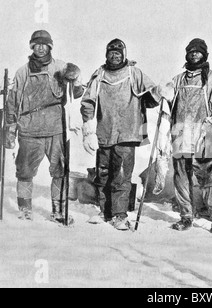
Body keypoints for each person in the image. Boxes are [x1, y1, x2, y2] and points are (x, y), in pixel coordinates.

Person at [81, 38, 162, 231]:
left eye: (118, 53)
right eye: (111, 53)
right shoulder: (99, 75)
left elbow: (150, 99)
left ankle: (120, 215)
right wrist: (89, 128)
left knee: (122, 175)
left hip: (128, 132)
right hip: (104, 132)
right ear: (106, 55)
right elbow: (88, 102)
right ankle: (105, 211)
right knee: (103, 174)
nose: (114, 56)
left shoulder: (134, 73)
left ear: (124, 55)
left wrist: (159, 92)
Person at [5, 30, 83, 223]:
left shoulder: (60, 67)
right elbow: (12, 102)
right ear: (32, 47)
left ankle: (58, 210)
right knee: (24, 172)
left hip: (55, 129)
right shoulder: (22, 72)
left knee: (59, 171)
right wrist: (10, 127)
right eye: (36, 44)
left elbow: (77, 91)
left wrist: (75, 77)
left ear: (50, 46)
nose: (40, 48)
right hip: (29, 130)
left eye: (44, 44)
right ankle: (25, 209)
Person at [166, 38, 212, 235]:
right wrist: (163, 94)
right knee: (181, 177)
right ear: (186, 54)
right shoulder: (178, 79)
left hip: (204, 134)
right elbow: (167, 103)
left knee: (209, 178)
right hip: (180, 134)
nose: (195, 54)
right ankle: (186, 216)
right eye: (191, 51)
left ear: (205, 54)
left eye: (198, 51)